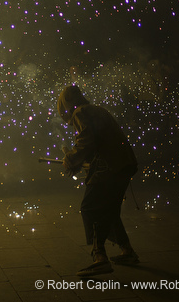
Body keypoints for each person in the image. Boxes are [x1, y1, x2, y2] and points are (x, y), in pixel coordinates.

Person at [57, 85, 139, 276]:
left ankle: (100, 258)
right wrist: (80, 162)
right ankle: (127, 251)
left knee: (90, 208)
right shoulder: (97, 109)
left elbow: (86, 141)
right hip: (124, 164)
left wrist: (70, 159)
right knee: (109, 210)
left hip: (108, 168)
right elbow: (99, 142)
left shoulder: (80, 112)